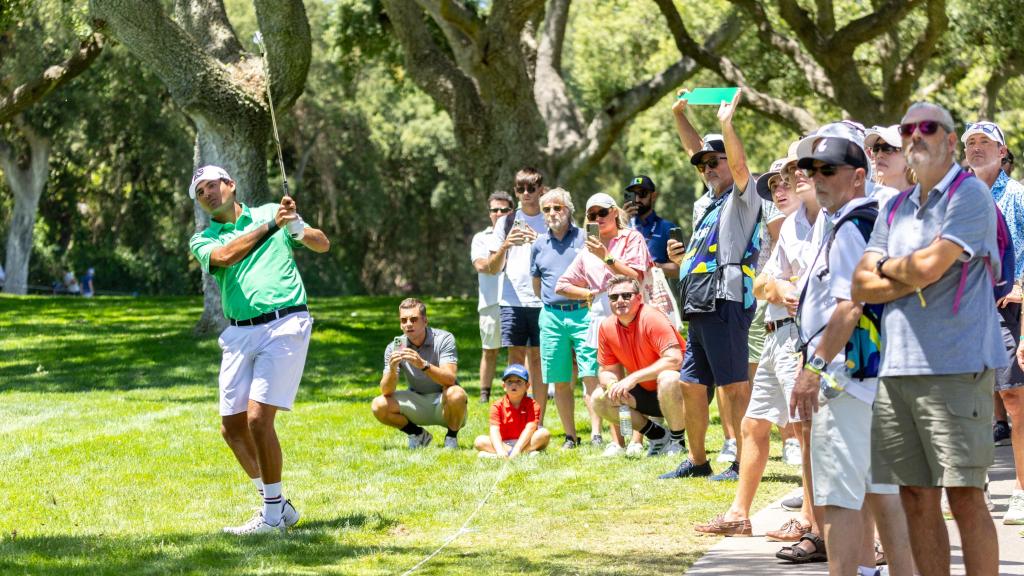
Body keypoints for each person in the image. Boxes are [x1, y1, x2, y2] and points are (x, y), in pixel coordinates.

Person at [852, 102, 1005, 575]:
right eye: (908, 129)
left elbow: (931, 266)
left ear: (951, 140)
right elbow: (860, 283)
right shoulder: (893, 205)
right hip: (895, 370)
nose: (916, 136)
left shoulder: (970, 196)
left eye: (929, 127)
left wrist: (897, 270)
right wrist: (913, 273)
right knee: (915, 497)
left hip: (956, 368)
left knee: (964, 497)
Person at [786, 136, 913, 576]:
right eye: (812, 171)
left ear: (858, 177)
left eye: (828, 171)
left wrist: (813, 369)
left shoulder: (850, 228)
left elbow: (849, 306)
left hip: (847, 378)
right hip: (877, 376)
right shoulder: (873, 222)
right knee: (880, 493)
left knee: (839, 497)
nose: (816, 179)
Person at [188, 164, 330, 535]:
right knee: (232, 427)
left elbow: (321, 243)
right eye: (200, 192)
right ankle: (279, 505)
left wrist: (296, 227)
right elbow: (226, 257)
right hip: (238, 333)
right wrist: (273, 227)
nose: (208, 193)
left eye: (213, 185)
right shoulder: (203, 239)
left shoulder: (272, 211)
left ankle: (270, 516)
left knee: (257, 420)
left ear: (231, 185)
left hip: (285, 323)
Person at [695, 148, 823, 548]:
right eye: (774, 184)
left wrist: (785, 286)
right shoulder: (789, 228)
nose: (779, 189)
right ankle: (738, 514)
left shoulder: (824, 225)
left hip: (798, 337)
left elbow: (807, 288)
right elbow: (762, 284)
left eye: (787, 181)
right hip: (772, 334)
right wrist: (783, 285)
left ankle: (808, 518)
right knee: (753, 425)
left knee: (805, 432)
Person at [664, 88, 760, 481]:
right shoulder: (708, 199)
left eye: (714, 162)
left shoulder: (743, 194)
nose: (708, 169)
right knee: (691, 384)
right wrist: (678, 115)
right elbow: (697, 153)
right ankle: (698, 460)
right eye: (703, 166)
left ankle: (741, 462)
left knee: (734, 385)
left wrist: (726, 123)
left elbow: (736, 166)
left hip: (726, 298)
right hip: (699, 301)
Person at [555, 193, 653, 456]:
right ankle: (617, 441)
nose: (597, 218)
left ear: (614, 212)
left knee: (636, 378)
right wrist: (589, 294)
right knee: (611, 379)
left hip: (633, 311)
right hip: (601, 315)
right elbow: (561, 285)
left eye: (601, 212)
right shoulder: (587, 250)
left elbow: (636, 275)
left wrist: (606, 257)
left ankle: (639, 439)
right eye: (591, 215)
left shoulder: (632, 237)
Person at [962, 120, 1024, 525]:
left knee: (1015, 402)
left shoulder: (1017, 195)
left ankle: (1021, 492)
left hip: (1008, 309)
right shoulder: (956, 196)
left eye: (986, 142)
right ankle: (973, 488)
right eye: (971, 143)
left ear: (1003, 152)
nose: (978, 148)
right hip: (963, 311)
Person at [530, 188, 599, 448]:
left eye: (557, 208)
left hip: (584, 313)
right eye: (546, 209)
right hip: (551, 318)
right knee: (559, 381)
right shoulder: (538, 244)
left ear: (568, 210)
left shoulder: (584, 238)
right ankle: (571, 436)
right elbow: (537, 284)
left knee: (590, 375)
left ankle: (596, 434)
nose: (551, 213)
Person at [591, 276, 687, 459]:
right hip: (648, 393)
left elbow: (675, 360)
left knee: (668, 377)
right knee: (599, 398)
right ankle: (658, 436)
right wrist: (612, 384)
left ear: (639, 298)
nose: (620, 301)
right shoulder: (606, 326)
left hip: (685, 392)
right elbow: (606, 370)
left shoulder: (651, 317)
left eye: (626, 295)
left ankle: (677, 440)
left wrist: (632, 378)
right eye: (614, 297)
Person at [484, 168, 547, 414]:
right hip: (511, 300)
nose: (526, 193)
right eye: (521, 189)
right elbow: (492, 267)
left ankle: (537, 419)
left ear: (541, 190)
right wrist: (506, 244)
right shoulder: (506, 221)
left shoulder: (550, 217)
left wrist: (537, 238)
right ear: (515, 191)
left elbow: (561, 255)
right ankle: (515, 417)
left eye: (532, 188)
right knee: (515, 360)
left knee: (538, 360)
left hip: (542, 300)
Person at [371, 298, 467, 450]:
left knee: (457, 394)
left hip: (444, 401)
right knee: (378, 405)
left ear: (425, 321)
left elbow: (450, 379)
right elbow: (386, 391)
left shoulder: (444, 339)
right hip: (417, 400)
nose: (408, 324)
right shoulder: (395, 346)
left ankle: (451, 438)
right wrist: (392, 369)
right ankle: (418, 435)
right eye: (404, 320)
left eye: (414, 319)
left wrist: (423, 365)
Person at [471, 191, 514, 403]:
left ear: (511, 212)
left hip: (516, 301)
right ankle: (484, 395)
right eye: (494, 210)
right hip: (490, 302)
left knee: (517, 350)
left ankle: (515, 392)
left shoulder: (520, 235)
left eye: (504, 210)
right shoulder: (481, 238)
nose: (498, 213)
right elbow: (482, 266)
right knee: (490, 350)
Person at [475, 364, 551, 458]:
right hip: (504, 443)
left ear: (527, 386)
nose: (514, 384)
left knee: (544, 433)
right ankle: (523, 454)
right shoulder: (497, 406)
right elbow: (494, 430)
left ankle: (501, 456)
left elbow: (530, 428)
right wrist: (499, 450)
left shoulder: (533, 405)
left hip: (527, 441)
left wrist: (517, 449)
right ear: (504, 386)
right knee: (479, 441)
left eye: (519, 381)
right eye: (509, 381)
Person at [623, 175, 679, 278]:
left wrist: (652, 266)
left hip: (655, 290)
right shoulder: (622, 226)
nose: (637, 199)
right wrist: (623, 220)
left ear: (653, 196)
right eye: (633, 194)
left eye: (642, 193)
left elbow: (679, 270)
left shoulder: (668, 228)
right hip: (625, 291)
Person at [865, 125, 914, 191]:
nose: (879, 155)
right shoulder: (871, 197)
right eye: (876, 148)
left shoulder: (923, 198)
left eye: (888, 148)